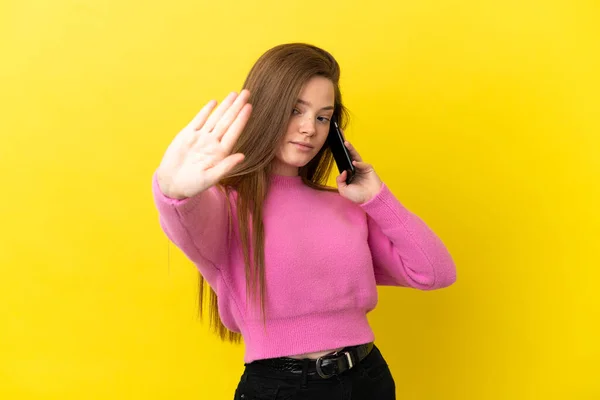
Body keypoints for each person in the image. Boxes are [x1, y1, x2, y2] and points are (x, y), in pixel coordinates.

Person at [152, 43, 457, 400]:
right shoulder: (226, 208)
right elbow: (182, 214)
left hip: (367, 379)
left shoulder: (345, 206)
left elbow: (435, 273)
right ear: (264, 110)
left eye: (322, 117)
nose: (309, 128)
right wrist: (172, 190)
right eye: (295, 110)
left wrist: (379, 198)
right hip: (280, 388)